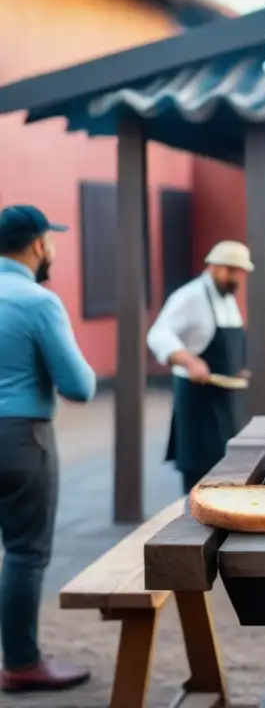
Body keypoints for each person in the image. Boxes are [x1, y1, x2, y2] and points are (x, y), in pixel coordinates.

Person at [0, 205, 95, 692]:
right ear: (39, 244)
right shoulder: (37, 301)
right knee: (23, 552)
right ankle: (20, 662)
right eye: (50, 240)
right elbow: (78, 386)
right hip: (20, 437)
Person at [147, 241, 253, 494]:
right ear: (213, 267)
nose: (236, 278)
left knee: (226, 470)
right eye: (231, 271)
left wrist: (237, 368)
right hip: (196, 398)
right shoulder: (189, 296)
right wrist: (189, 361)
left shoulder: (226, 298)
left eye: (239, 273)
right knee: (199, 474)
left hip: (225, 398)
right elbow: (158, 335)